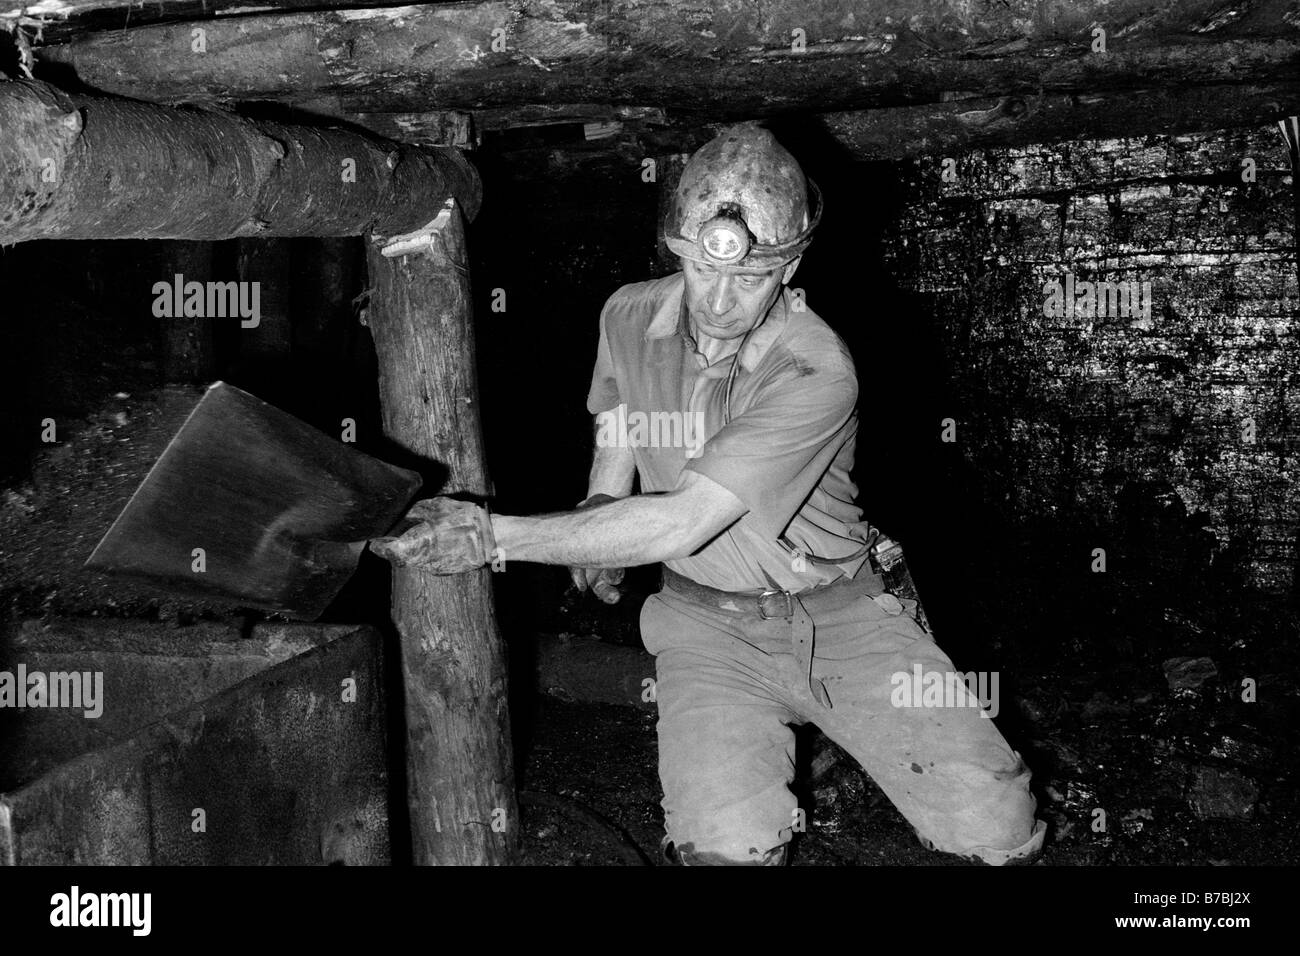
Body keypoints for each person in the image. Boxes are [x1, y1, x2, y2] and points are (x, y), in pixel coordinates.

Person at [371, 123, 1047, 866]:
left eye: (752, 278)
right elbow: (619, 425)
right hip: (705, 629)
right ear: (677, 251)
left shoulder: (815, 369)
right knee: (726, 852)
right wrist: (599, 520)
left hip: (845, 616)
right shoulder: (628, 313)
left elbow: (681, 523)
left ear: (791, 267)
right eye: (701, 269)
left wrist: (491, 536)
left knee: (997, 827)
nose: (721, 300)